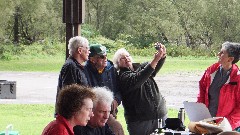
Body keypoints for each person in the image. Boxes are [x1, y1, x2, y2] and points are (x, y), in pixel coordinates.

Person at [112, 42, 168, 135]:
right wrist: (155, 60)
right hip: (140, 122)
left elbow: (153, 67)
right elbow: (139, 77)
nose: (126, 58)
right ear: (118, 63)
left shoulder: (141, 67)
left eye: (128, 56)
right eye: (122, 58)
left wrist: (162, 54)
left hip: (160, 115)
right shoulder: (123, 76)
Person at [197, 41, 240, 131]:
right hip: (207, 122)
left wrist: (226, 123)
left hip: (226, 127)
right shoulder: (210, 71)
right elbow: (202, 91)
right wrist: (199, 112)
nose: (218, 54)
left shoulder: (238, 78)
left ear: (230, 59)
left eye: (222, 53)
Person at [84, 44, 124, 135]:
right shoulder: (84, 71)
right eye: (102, 56)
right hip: (94, 115)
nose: (105, 58)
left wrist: (116, 101)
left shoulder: (111, 68)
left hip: (111, 111)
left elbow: (119, 89)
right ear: (92, 59)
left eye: (106, 55)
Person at [55, 36, 90, 115]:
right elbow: (70, 94)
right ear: (79, 50)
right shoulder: (70, 66)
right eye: (87, 48)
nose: (89, 51)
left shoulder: (76, 66)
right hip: (72, 115)